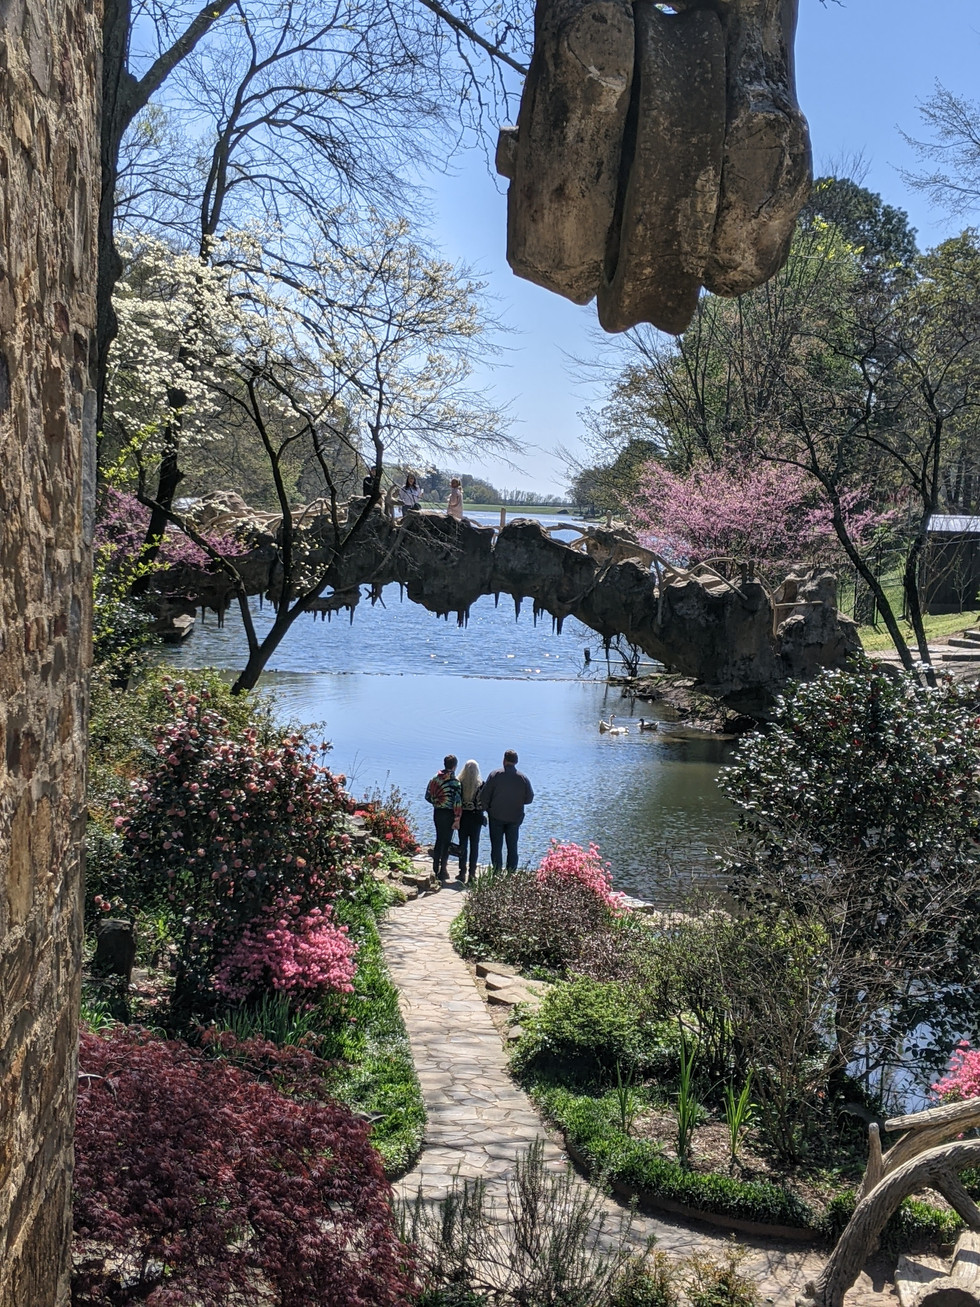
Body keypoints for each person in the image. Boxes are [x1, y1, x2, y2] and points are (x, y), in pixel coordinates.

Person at [480, 749, 533, 872]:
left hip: (496, 817)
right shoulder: (523, 778)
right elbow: (529, 799)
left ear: (504, 760)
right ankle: (511, 874)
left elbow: (484, 796)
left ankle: (497, 873)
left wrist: (487, 810)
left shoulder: (495, 775)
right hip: (514, 818)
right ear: (516, 761)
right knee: (512, 847)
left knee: (496, 847)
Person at [424, 754, 462, 881]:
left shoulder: (434, 779)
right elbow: (457, 802)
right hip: (449, 813)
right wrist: (457, 818)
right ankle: (443, 870)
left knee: (439, 838)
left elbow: (427, 796)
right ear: (455, 766)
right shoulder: (455, 783)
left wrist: (437, 802)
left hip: (437, 812)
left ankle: (435, 867)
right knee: (446, 841)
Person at [456, 759, 484, 882]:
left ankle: (462, 872)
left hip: (463, 817)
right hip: (476, 818)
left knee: (462, 845)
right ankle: (472, 873)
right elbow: (483, 803)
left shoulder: (459, 784)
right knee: (474, 846)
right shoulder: (481, 785)